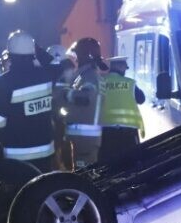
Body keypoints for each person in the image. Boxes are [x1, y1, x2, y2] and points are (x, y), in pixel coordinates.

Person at [0, 30, 57, 172]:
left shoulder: (4, 82)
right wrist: (38, 50)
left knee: (20, 193)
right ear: (33, 53)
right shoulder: (46, 75)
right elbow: (57, 66)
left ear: (10, 55)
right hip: (46, 151)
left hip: (17, 155)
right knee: (43, 191)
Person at [64, 37, 104, 169]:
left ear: (84, 56)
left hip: (85, 138)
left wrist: (66, 94)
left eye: (77, 55)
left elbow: (86, 97)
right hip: (83, 137)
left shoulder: (90, 76)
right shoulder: (86, 74)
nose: (75, 58)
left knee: (85, 176)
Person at [97, 56, 145, 165]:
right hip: (128, 133)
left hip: (105, 132)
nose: (125, 70)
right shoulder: (130, 83)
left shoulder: (101, 81)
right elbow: (141, 99)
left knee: (107, 164)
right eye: (125, 67)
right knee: (130, 164)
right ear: (119, 66)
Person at [51, 48, 77, 170]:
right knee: (59, 145)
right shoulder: (58, 86)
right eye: (69, 71)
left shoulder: (74, 84)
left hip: (69, 121)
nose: (72, 73)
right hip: (59, 121)